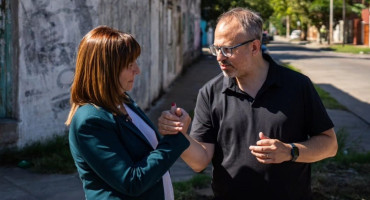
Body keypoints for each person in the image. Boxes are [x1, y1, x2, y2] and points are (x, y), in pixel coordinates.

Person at [158, 8, 338, 200]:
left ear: (254, 47)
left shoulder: (297, 86)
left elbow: (330, 144)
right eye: (216, 49)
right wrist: (179, 135)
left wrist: (290, 151)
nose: (219, 57)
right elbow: (199, 161)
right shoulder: (210, 93)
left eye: (227, 49)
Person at [65, 26, 190, 200]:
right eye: (129, 65)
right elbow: (132, 181)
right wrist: (175, 139)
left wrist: (169, 126)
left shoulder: (123, 100)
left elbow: (147, 154)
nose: (137, 70)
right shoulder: (90, 121)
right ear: (106, 69)